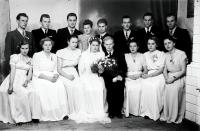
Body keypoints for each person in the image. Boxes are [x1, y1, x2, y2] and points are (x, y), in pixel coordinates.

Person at [69, 37, 110, 123]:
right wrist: (84, 77)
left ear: (99, 46)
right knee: (87, 88)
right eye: (93, 45)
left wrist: (100, 70)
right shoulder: (84, 54)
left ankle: (97, 110)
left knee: (99, 87)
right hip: (86, 76)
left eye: (97, 45)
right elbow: (81, 69)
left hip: (97, 76)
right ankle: (88, 110)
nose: (95, 47)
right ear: (90, 45)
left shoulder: (101, 54)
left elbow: (103, 68)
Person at [0, 42, 41, 124]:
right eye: (23, 48)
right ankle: (20, 118)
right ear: (19, 48)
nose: (25, 50)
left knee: (34, 93)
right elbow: (13, 71)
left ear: (29, 49)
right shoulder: (15, 57)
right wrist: (11, 85)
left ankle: (34, 116)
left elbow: (30, 73)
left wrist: (27, 81)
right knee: (21, 93)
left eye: (27, 48)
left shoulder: (30, 59)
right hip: (14, 78)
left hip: (24, 79)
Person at [32, 37, 69, 121]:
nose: (48, 47)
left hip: (52, 75)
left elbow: (56, 69)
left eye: (49, 45)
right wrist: (48, 78)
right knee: (45, 86)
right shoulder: (37, 55)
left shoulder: (54, 55)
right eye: (46, 45)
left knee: (60, 86)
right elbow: (36, 71)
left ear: (52, 46)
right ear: (42, 46)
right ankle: (43, 114)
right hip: (40, 76)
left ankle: (62, 113)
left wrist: (55, 76)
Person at [160, 36, 187, 124]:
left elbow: (183, 71)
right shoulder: (165, 54)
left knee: (174, 89)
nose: (167, 45)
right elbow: (164, 69)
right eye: (165, 44)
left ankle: (174, 116)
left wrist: (173, 79)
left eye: (169, 43)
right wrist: (166, 78)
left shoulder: (181, 53)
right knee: (166, 88)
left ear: (174, 43)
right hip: (169, 76)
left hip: (179, 76)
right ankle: (167, 114)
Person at [101, 36, 127, 119]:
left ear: (113, 44)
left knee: (119, 90)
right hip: (108, 77)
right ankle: (111, 111)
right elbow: (102, 69)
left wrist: (120, 76)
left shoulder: (119, 53)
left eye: (110, 44)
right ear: (104, 45)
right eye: (107, 44)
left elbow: (124, 67)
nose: (108, 46)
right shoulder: (102, 54)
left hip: (118, 76)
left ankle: (118, 111)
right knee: (110, 91)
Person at [140, 36, 165, 121]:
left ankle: (155, 112)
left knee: (154, 86)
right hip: (149, 73)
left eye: (153, 44)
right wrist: (144, 74)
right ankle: (146, 111)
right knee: (144, 85)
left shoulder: (161, 54)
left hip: (158, 74)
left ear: (156, 44)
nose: (150, 46)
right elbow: (145, 69)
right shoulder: (145, 54)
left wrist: (149, 76)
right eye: (149, 44)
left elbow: (161, 69)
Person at [56, 35, 81, 114]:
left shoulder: (78, 51)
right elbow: (59, 69)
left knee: (78, 86)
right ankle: (69, 110)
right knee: (69, 86)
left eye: (76, 42)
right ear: (68, 42)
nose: (75, 44)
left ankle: (78, 109)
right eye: (73, 42)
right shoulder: (61, 52)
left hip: (74, 72)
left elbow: (80, 66)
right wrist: (68, 76)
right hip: (63, 73)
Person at [124, 40, 147, 117]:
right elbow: (122, 70)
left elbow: (145, 70)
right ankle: (129, 110)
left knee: (140, 87)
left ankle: (137, 111)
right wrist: (128, 75)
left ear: (138, 47)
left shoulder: (142, 55)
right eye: (131, 46)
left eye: (134, 46)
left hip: (139, 75)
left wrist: (140, 75)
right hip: (128, 76)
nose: (132, 48)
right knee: (129, 88)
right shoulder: (125, 56)